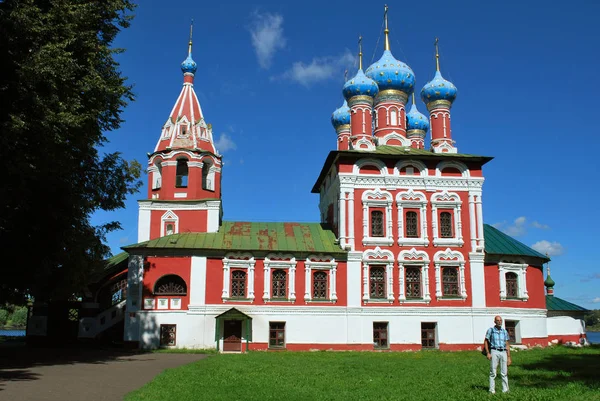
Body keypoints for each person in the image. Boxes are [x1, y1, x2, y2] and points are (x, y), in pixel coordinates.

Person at [484, 315, 511, 394]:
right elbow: (486, 341)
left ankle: (505, 390)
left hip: (503, 352)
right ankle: (492, 390)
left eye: (500, 320)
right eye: (498, 320)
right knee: (493, 372)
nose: (499, 322)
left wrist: (509, 357)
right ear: (494, 321)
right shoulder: (491, 330)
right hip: (494, 351)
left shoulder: (504, 331)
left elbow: (507, 344)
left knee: (504, 372)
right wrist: (488, 353)